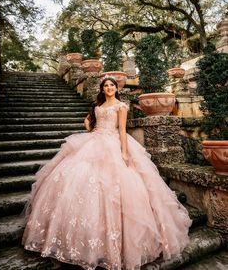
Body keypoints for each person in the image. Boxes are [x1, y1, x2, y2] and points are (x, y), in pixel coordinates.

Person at [22, 76, 192, 270]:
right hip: (93, 141)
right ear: (102, 89)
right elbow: (89, 123)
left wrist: (125, 153)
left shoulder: (121, 106)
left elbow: (121, 130)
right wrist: (88, 125)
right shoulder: (97, 105)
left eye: (112, 85)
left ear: (115, 88)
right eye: (106, 86)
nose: (109, 88)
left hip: (112, 143)